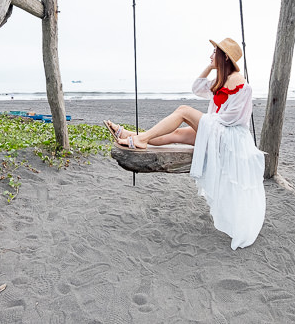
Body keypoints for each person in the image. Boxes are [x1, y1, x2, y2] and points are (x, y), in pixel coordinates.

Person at [106, 37, 266, 249]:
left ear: (225, 56)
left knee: (183, 111)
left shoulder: (242, 84)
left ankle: (141, 139)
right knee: (178, 134)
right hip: (219, 130)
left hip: (231, 137)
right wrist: (211, 66)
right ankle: (130, 135)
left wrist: (205, 123)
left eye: (214, 52)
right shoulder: (220, 79)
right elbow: (197, 87)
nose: (210, 56)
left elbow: (233, 119)